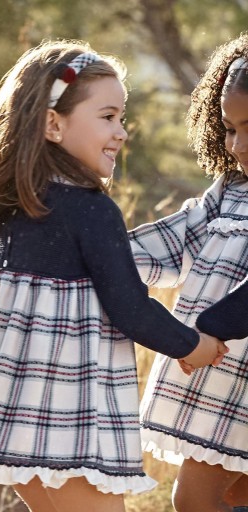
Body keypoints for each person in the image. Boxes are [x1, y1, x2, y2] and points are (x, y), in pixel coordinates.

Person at [0, 39, 224, 512]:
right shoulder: (91, 209)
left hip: (12, 415)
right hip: (68, 419)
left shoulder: (16, 205)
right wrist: (194, 346)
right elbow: (130, 307)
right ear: (53, 123)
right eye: (107, 117)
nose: (122, 133)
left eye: (122, 119)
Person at [129, 33, 248, 512]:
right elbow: (174, 240)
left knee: (196, 500)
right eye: (230, 128)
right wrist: (97, 256)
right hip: (222, 376)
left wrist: (204, 332)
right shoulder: (231, 191)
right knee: (233, 494)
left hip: (223, 362)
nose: (238, 144)